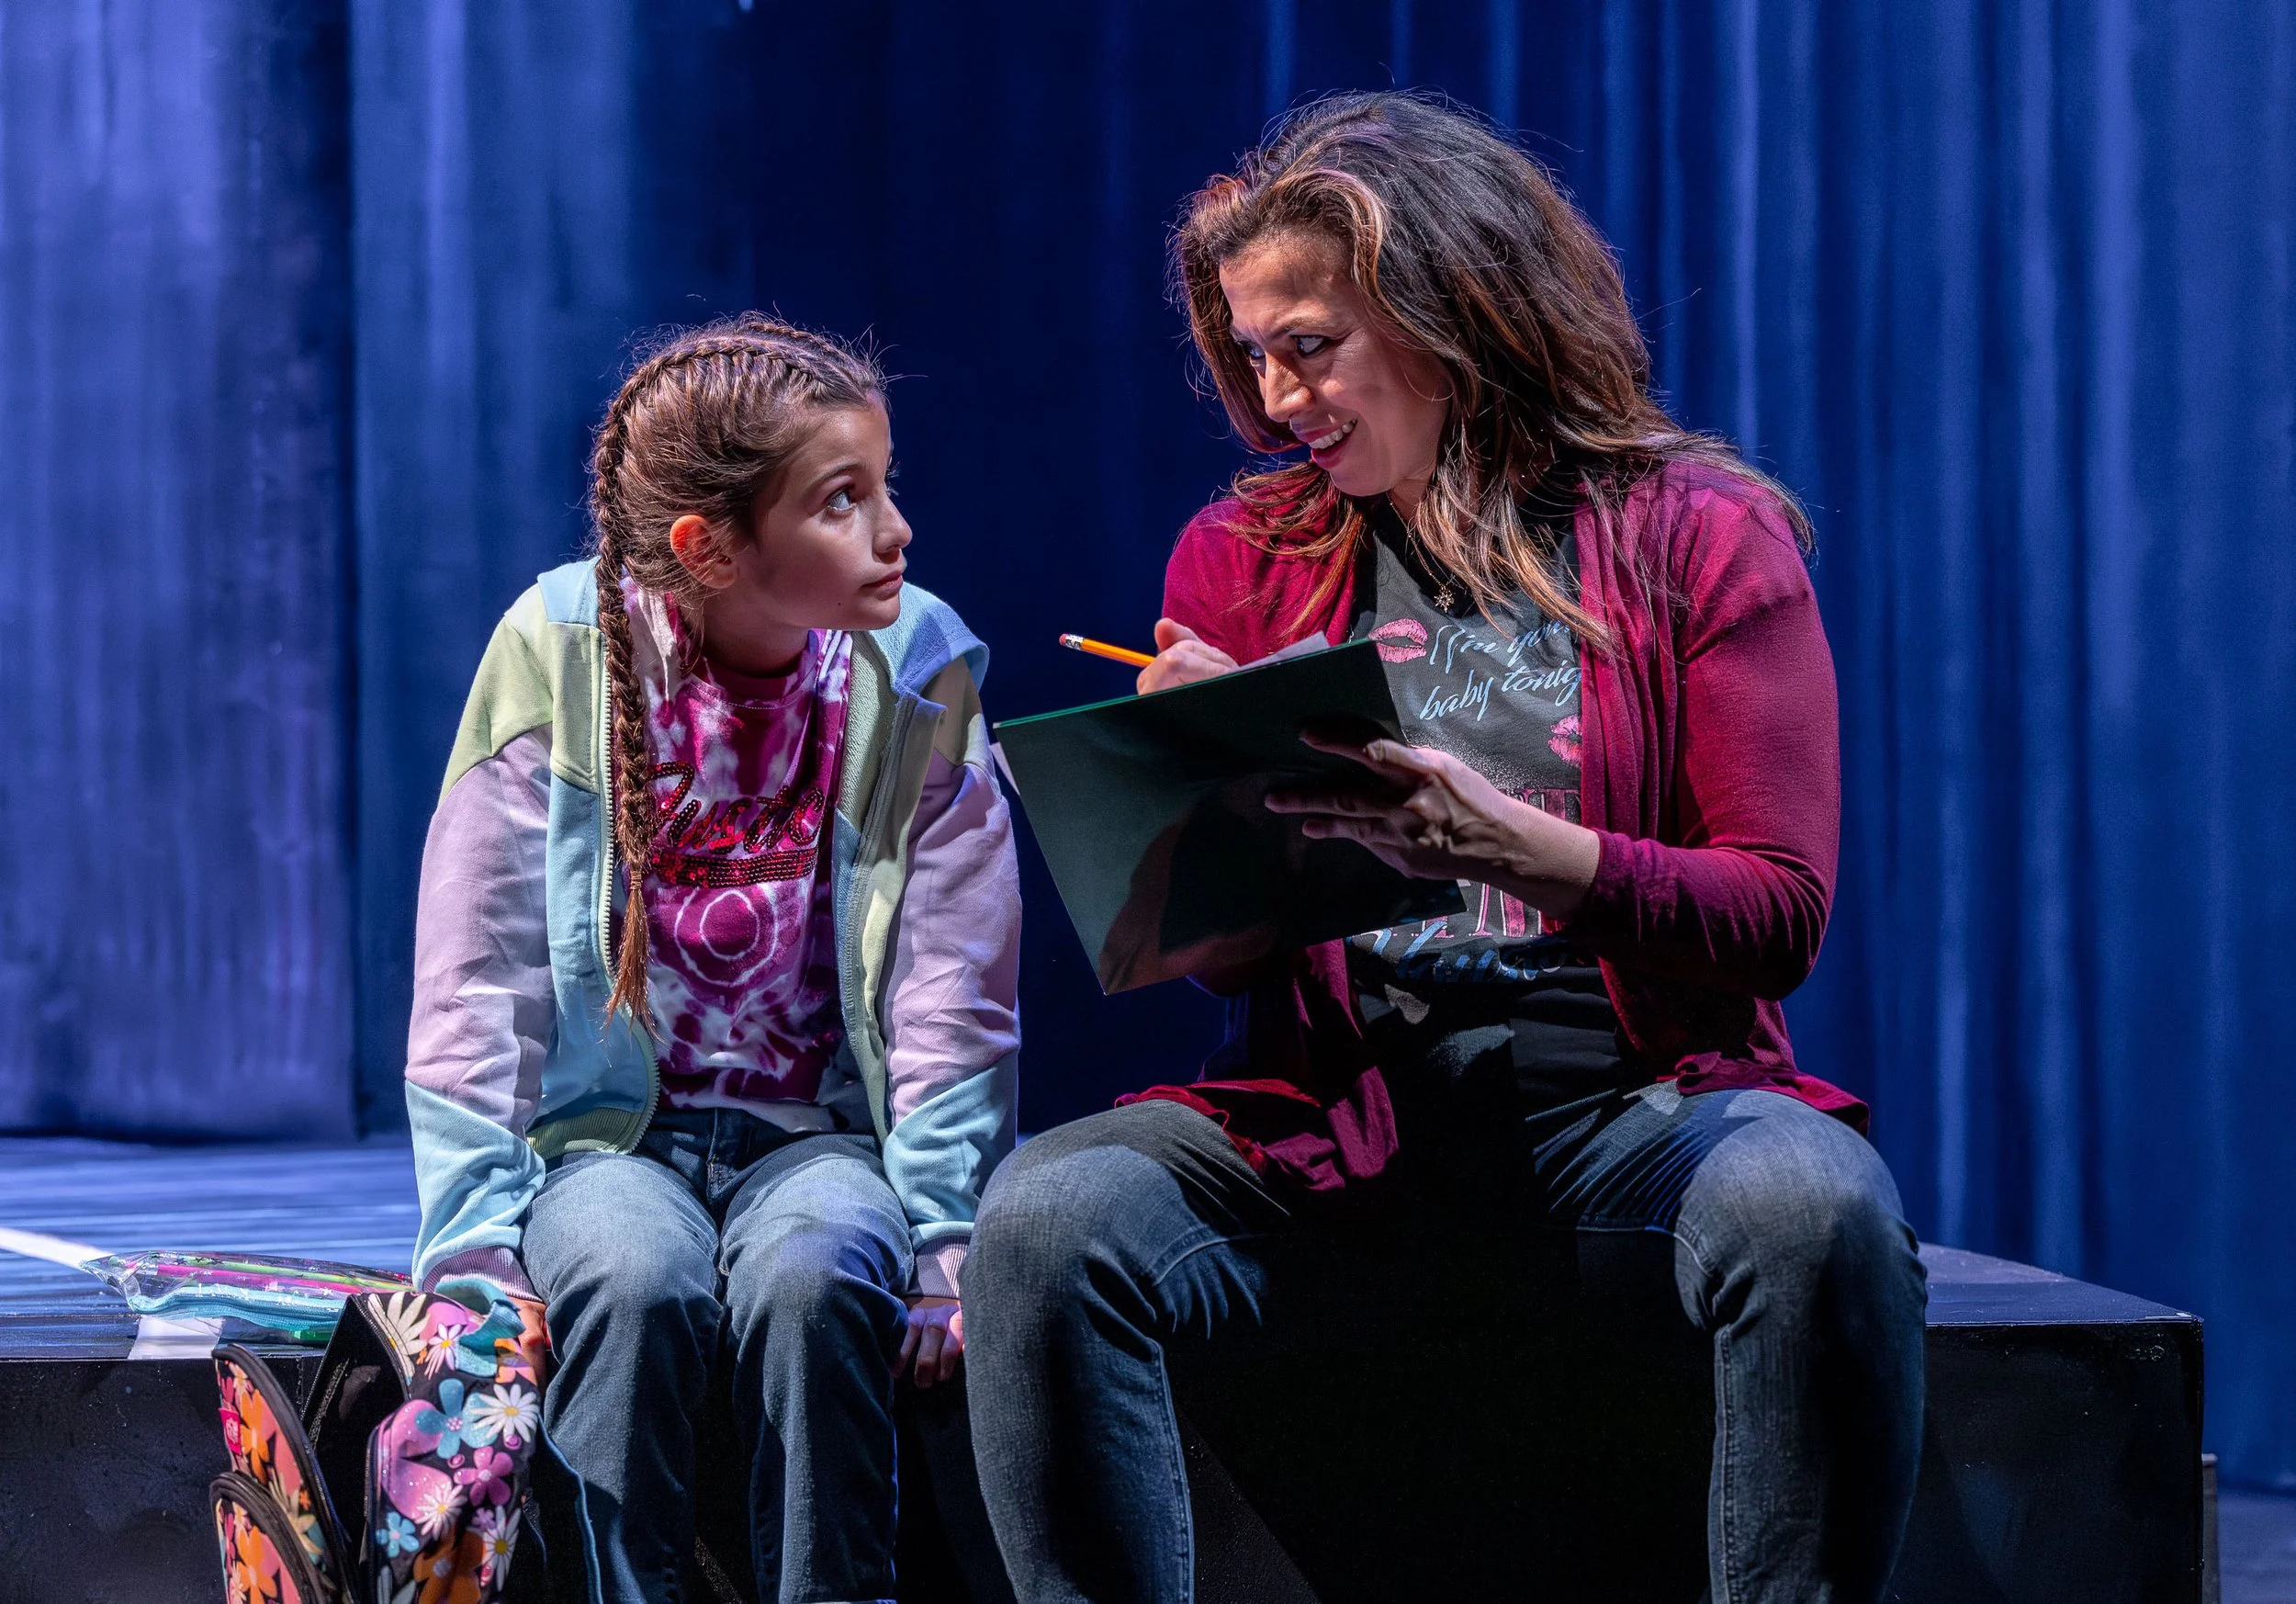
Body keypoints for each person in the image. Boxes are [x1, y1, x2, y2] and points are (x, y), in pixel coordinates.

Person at [963, 94, 1927, 1604]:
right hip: (1341, 1121)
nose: (1279, 396)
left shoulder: (1694, 533)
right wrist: (1211, 792)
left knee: (1816, 1206)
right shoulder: (1247, 555)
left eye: (1310, 345)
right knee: (1045, 1216)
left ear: (1451, 310)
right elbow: (1230, 965)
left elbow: (1778, 913)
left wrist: (1525, 847)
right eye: (1254, 353)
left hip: (1634, 1107)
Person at [401, 316, 1021, 1603]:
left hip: (820, 1142)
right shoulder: (558, 648)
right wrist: (471, 1241)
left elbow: (953, 987)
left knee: (819, 1272)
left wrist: (946, 1230)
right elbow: (478, 971)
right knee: (631, 1280)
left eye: (885, 485)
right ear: (710, 547)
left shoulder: (919, 666)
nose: (896, 530)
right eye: (843, 500)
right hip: (610, 1145)